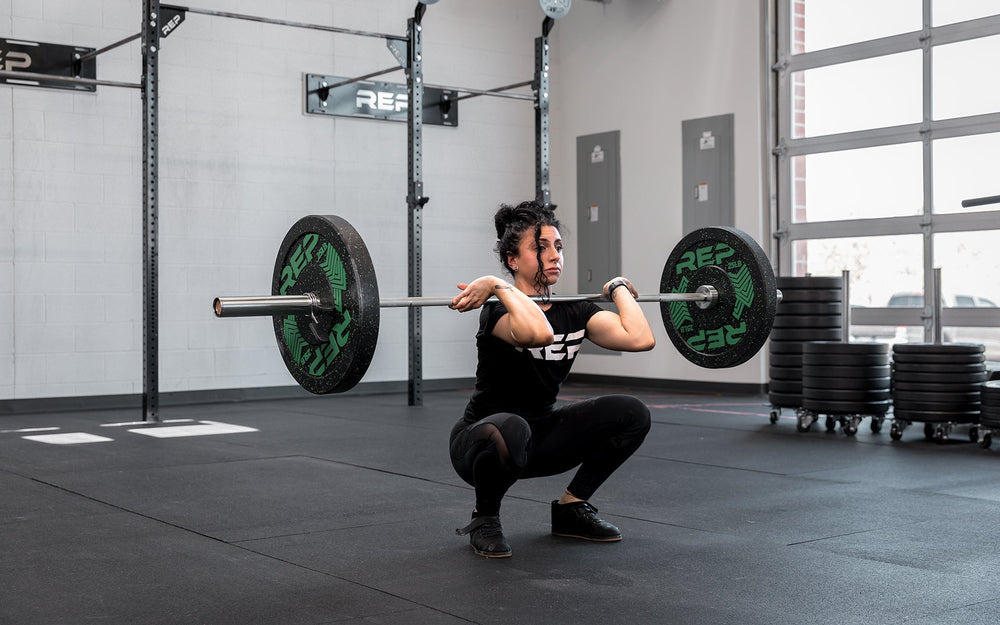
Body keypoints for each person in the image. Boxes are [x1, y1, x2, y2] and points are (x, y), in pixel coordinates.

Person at [447, 200, 656, 558]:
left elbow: (640, 339)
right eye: (540, 247)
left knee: (632, 413)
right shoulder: (495, 310)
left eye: (558, 247)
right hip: (482, 442)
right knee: (512, 427)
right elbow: (538, 334)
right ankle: (484, 519)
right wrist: (500, 287)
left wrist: (618, 287)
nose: (554, 255)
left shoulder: (575, 311)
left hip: (541, 440)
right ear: (514, 259)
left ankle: (571, 508)